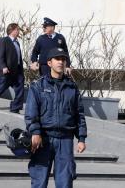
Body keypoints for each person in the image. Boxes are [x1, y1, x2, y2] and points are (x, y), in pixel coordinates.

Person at [26, 47, 87, 188]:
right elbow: (31, 112)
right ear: (49, 63)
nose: (61, 62)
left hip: (65, 140)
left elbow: (79, 114)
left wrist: (81, 138)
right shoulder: (38, 86)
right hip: (43, 139)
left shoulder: (72, 88)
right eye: (57, 59)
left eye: (63, 59)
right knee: (39, 182)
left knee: (65, 183)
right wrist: (35, 132)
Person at [0, 23, 25, 113]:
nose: (19, 31)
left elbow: (18, 57)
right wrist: (3, 66)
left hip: (17, 70)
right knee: (1, 87)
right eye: (17, 30)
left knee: (20, 88)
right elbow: (0, 55)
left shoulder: (17, 42)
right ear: (12, 30)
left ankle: (15, 107)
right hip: (7, 70)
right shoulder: (4, 40)